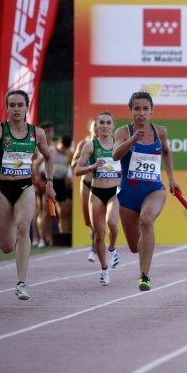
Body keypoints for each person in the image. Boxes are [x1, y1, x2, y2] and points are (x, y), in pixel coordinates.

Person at [0, 90, 56, 300]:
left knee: (24, 227)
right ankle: (9, 228)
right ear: (6, 107)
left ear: (27, 107)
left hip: (25, 187)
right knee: (6, 246)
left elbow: (49, 158)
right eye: (12, 105)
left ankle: (21, 283)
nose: (16, 109)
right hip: (1, 189)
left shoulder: (37, 133)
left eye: (20, 105)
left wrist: (50, 183)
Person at [113, 91, 179, 291]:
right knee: (134, 247)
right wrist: (132, 140)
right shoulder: (123, 132)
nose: (141, 113)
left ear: (152, 111)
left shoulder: (160, 131)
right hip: (128, 194)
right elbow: (115, 155)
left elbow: (166, 153)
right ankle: (143, 257)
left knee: (147, 220)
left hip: (153, 189)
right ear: (130, 111)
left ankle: (144, 276)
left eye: (145, 109)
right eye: (137, 109)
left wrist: (172, 179)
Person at [74, 111, 122, 286]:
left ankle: (113, 249)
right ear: (97, 125)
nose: (104, 125)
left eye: (108, 122)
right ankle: (104, 269)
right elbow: (77, 170)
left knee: (113, 223)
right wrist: (92, 166)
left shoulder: (119, 145)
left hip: (114, 191)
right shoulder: (90, 146)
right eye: (101, 122)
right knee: (99, 234)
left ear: (113, 125)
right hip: (96, 192)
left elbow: (129, 166)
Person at [71, 119, 97, 259]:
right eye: (95, 126)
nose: (98, 128)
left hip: (102, 185)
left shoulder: (107, 145)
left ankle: (95, 246)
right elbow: (73, 163)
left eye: (100, 125)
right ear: (90, 128)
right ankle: (94, 235)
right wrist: (84, 159)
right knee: (88, 220)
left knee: (99, 218)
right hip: (86, 183)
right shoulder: (83, 144)